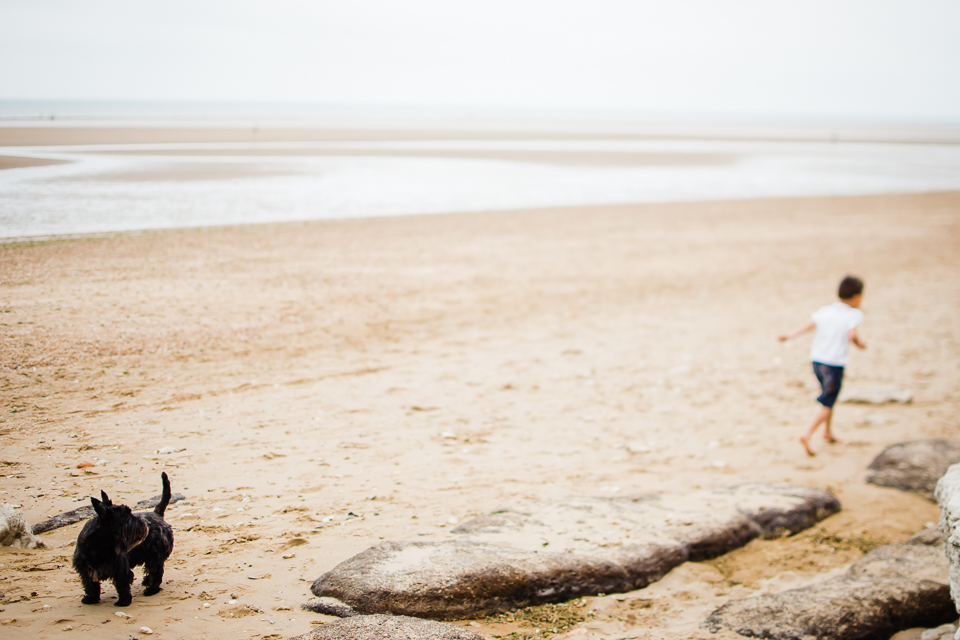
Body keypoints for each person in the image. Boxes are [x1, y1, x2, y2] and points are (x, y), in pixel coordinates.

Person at [778, 276, 867, 456]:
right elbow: (852, 336)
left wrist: (789, 335)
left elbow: (809, 325)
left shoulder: (826, 311)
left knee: (828, 395)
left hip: (817, 360)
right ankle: (807, 433)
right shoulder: (854, 314)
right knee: (828, 399)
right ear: (857, 297)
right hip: (834, 363)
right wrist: (860, 344)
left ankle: (827, 432)